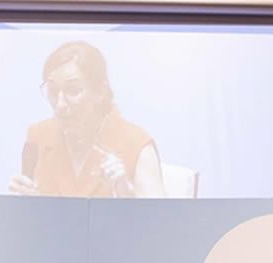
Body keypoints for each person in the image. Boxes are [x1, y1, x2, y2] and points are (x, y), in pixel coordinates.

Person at [9, 41, 166, 199]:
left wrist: (125, 194)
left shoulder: (136, 144)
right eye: (53, 91)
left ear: (100, 92)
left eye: (73, 90)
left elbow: (159, 215)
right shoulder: (38, 137)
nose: (60, 104)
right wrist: (25, 202)